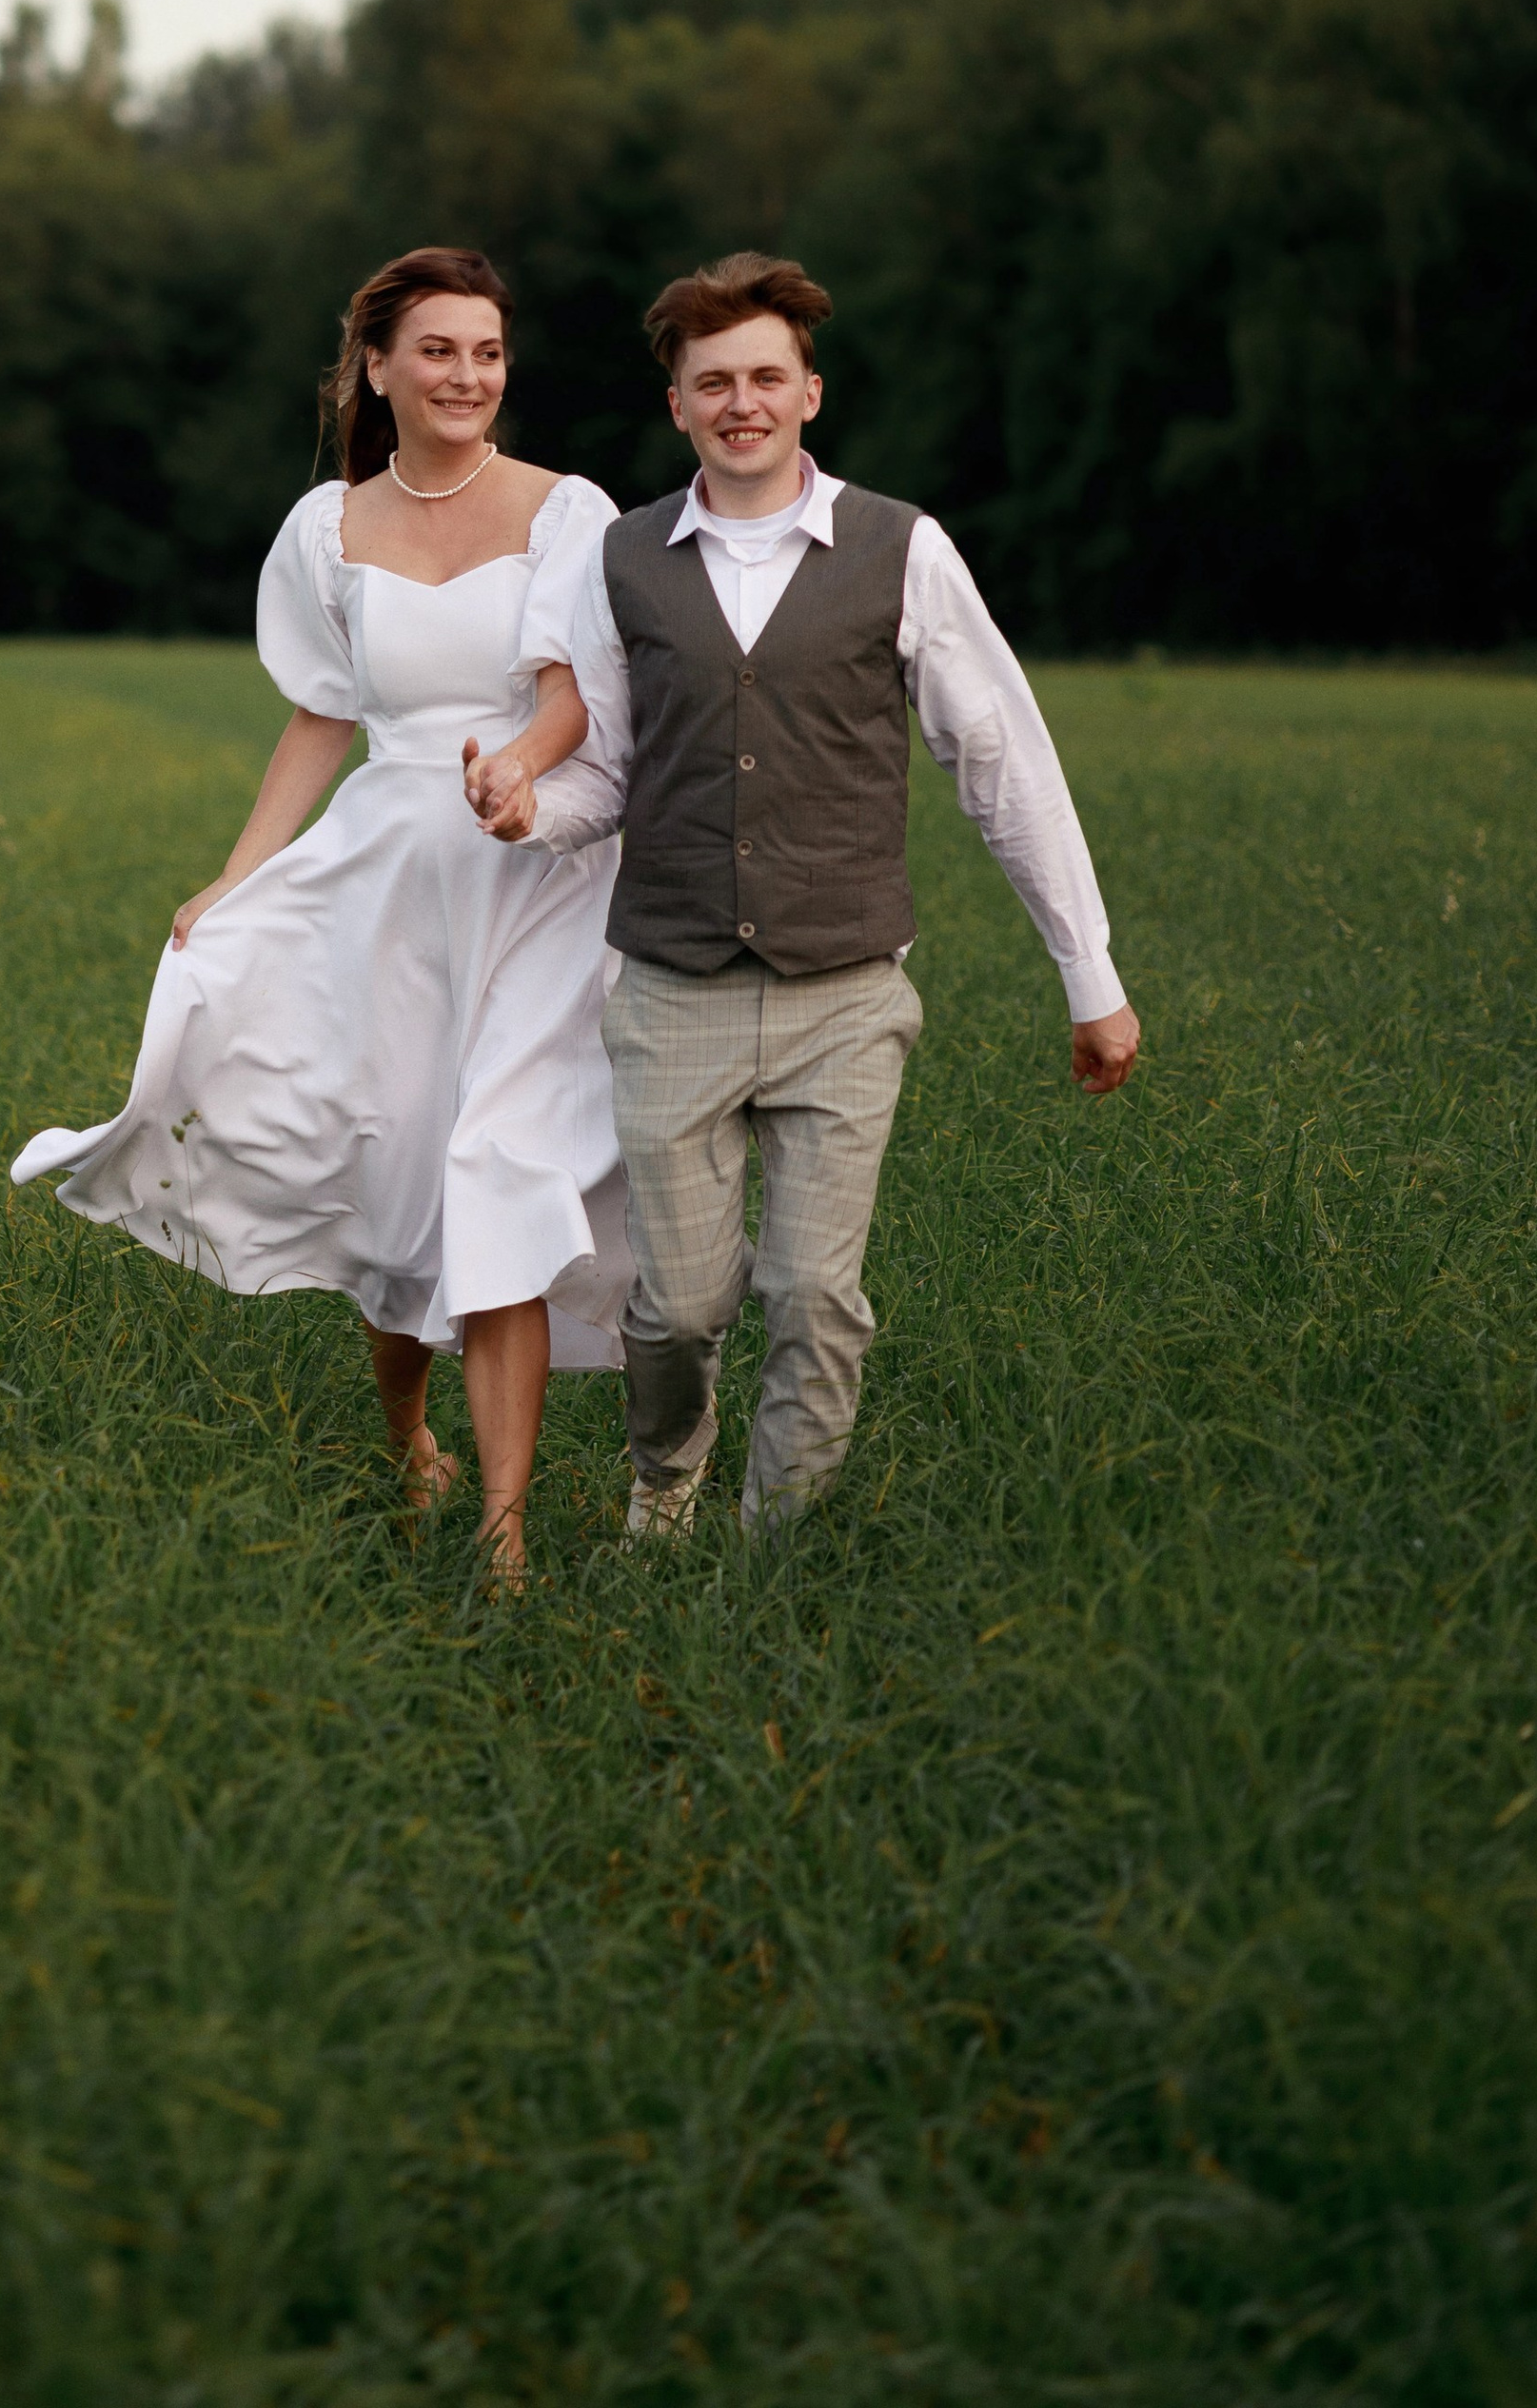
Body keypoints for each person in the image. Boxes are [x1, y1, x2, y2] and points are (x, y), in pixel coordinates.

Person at [463, 250, 1140, 1540]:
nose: (742, 401)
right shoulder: (623, 561)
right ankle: (666, 1477)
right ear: (677, 404)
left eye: (766, 375)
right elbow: (601, 776)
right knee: (676, 1306)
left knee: (817, 1295)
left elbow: (1001, 765)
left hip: (846, 993)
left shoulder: (903, 549)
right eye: (712, 380)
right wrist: (524, 806)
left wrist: (1088, 974)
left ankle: (779, 1548)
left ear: (810, 392)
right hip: (669, 992)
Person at [10, 247, 633, 1582]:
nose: (468, 374)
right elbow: (320, 716)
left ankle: (506, 1533)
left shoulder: (568, 508)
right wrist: (239, 874)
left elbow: (575, 693)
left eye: (487, 351)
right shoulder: (327, 529)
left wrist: (518, 768)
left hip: (531, 869)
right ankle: (408, 1431)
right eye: (440, 350)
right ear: (379, 367)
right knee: (396, 1162)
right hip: (387, 874)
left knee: (501, 1163)